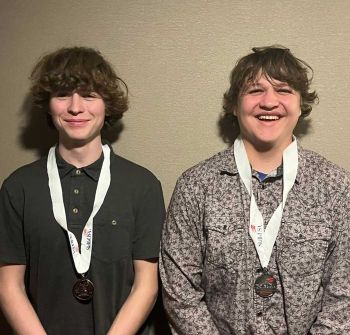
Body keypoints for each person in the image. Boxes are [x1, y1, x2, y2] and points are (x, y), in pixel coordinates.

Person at [159, 46, 350, 334]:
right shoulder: (196, 185)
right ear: (235, 105)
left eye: (283, 90)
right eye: (255, 90)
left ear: (301, 105)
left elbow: (344, 296)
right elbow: (180, 292)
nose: (269, 102)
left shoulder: (336, 187)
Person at [0, 47, 165, 335]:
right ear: (49, 105)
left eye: (89, 95)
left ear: (107, 105)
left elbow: (147, 285)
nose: (76, 107)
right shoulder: (18, 187)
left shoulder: (142, 185)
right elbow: (9, 286)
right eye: (63, 94)